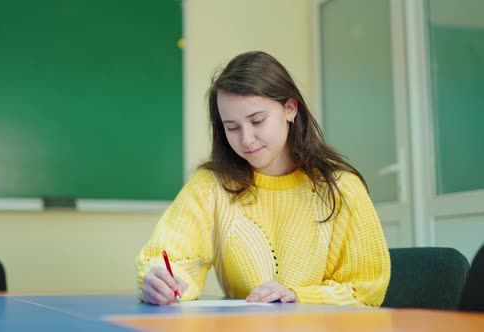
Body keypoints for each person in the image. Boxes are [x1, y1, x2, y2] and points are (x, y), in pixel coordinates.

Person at [135, 51, 390, 306]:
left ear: (289, 109)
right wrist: (162, 281)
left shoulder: (341, 188)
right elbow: (171, 258)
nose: (246, 139)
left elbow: (367, 289)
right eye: (232, 127)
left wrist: (299, 296)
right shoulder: (211, 185)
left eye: (257, 121)